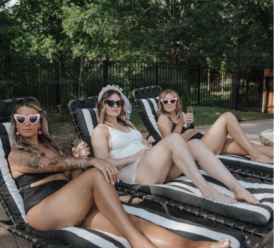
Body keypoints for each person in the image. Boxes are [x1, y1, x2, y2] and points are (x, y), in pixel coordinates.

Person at [7, 98, 232, 248]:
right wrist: (85, 160)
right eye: (21, 118)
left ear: (40, 122)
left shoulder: (54, 148)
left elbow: (71, 181)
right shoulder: (16, 154)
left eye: (33, 118)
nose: (27, 122)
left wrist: (76, 165)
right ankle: (140, 247)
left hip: (68, 207)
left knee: (128, 220)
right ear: (15, 123)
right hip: (42, 212)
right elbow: (47, 165)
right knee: (96, 173)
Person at [92, 85, 260, 205]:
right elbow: (102, 164)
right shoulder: (101, 130)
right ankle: (206, 189)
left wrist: (150, 149)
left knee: (194, 143)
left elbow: (142, 143)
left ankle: (236, 188)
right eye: (110, 102)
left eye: (119, 103)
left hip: (153, 166)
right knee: (174, 139)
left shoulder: (128, 125)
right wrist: (134, 157)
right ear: (103, 105)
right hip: (135, 173)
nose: (116, 106)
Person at [157, 89, 273, 164]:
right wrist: (182, 126)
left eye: (172, 100)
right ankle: (255, 156)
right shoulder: (163, 118)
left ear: (177, 101)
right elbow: (170, 143)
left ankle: (258, 154)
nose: (169, 103)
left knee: (246, 145)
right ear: (161, 103)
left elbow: (193, 131)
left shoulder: (181, 115)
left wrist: (191, 130)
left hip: (205, 142)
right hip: (197, 149)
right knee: (227, 116)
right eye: (165, 101)